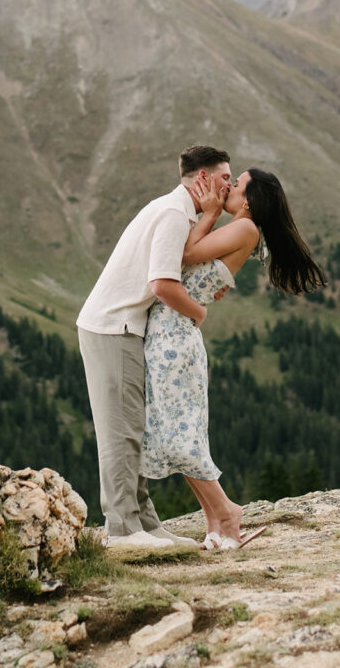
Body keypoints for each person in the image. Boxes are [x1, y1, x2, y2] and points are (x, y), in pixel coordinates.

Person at [140, 167, 325, 549]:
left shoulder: (245, 228)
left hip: (176, 333)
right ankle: (217, 524)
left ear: (249, 201)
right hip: (171, 331)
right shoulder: (244, 231)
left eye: (236, 185)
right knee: (178, 433)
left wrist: (207, 213)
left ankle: (227, 513)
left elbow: (186, 253)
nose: (227, 188)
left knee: (181, 437)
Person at [76, 146, 233, 549]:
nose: (229, 186)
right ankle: (122, 531)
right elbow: (162, 284)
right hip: (114, 328)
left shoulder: (178, 211)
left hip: (125, 327)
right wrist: (198, 314)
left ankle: (145, 522)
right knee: (122, 432)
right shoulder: (172, 214)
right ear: (203, 179)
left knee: (136, 428)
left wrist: (212, 216)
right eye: (224, 178)